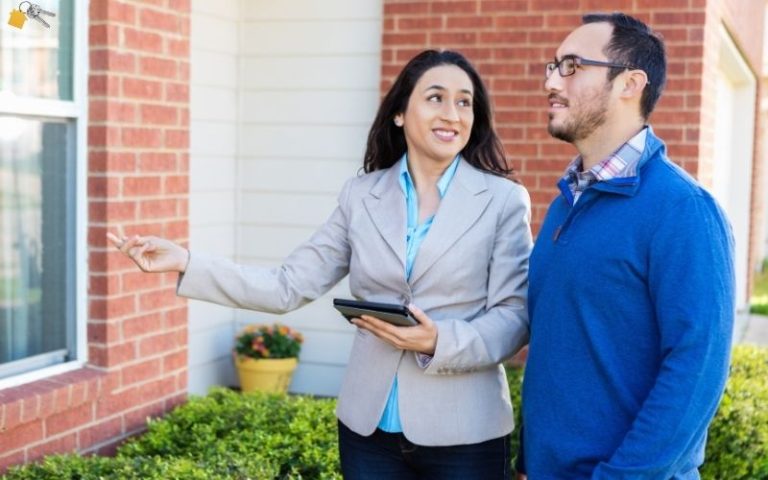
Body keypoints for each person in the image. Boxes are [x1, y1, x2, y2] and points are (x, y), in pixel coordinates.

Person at [109, 49, 533, 479]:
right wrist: (186, 262)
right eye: (436, 97)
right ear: (400, 113)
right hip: (368, 432)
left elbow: (514, 317)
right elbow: (286, 286)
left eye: (465, 102)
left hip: (465, 435)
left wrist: (437, 340)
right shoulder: (360, 195)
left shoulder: (501, 201)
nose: (452, 114)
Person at [516, 12, 735, 479]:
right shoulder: (566, 202)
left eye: (572, 66)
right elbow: (558, 344)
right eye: (552, 66)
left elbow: (697, 368)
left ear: (629, 84)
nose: (552, 81)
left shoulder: (683, 209)